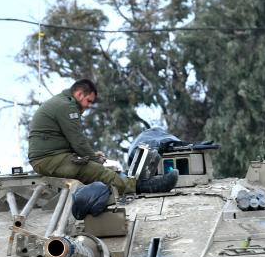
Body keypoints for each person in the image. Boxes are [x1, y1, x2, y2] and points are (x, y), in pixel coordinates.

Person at [27, 78, 179, 195]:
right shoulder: (66, 106)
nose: (89, 106)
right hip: (48, 160)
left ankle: (129, 183)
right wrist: (94, 160)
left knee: (97, 166)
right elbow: (78, 142)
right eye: (88, 101)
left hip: (51, 158)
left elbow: (71, 142)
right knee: (94, 170)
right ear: (79, 94)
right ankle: (141, 187)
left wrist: (92, 156)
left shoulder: (63, 102)